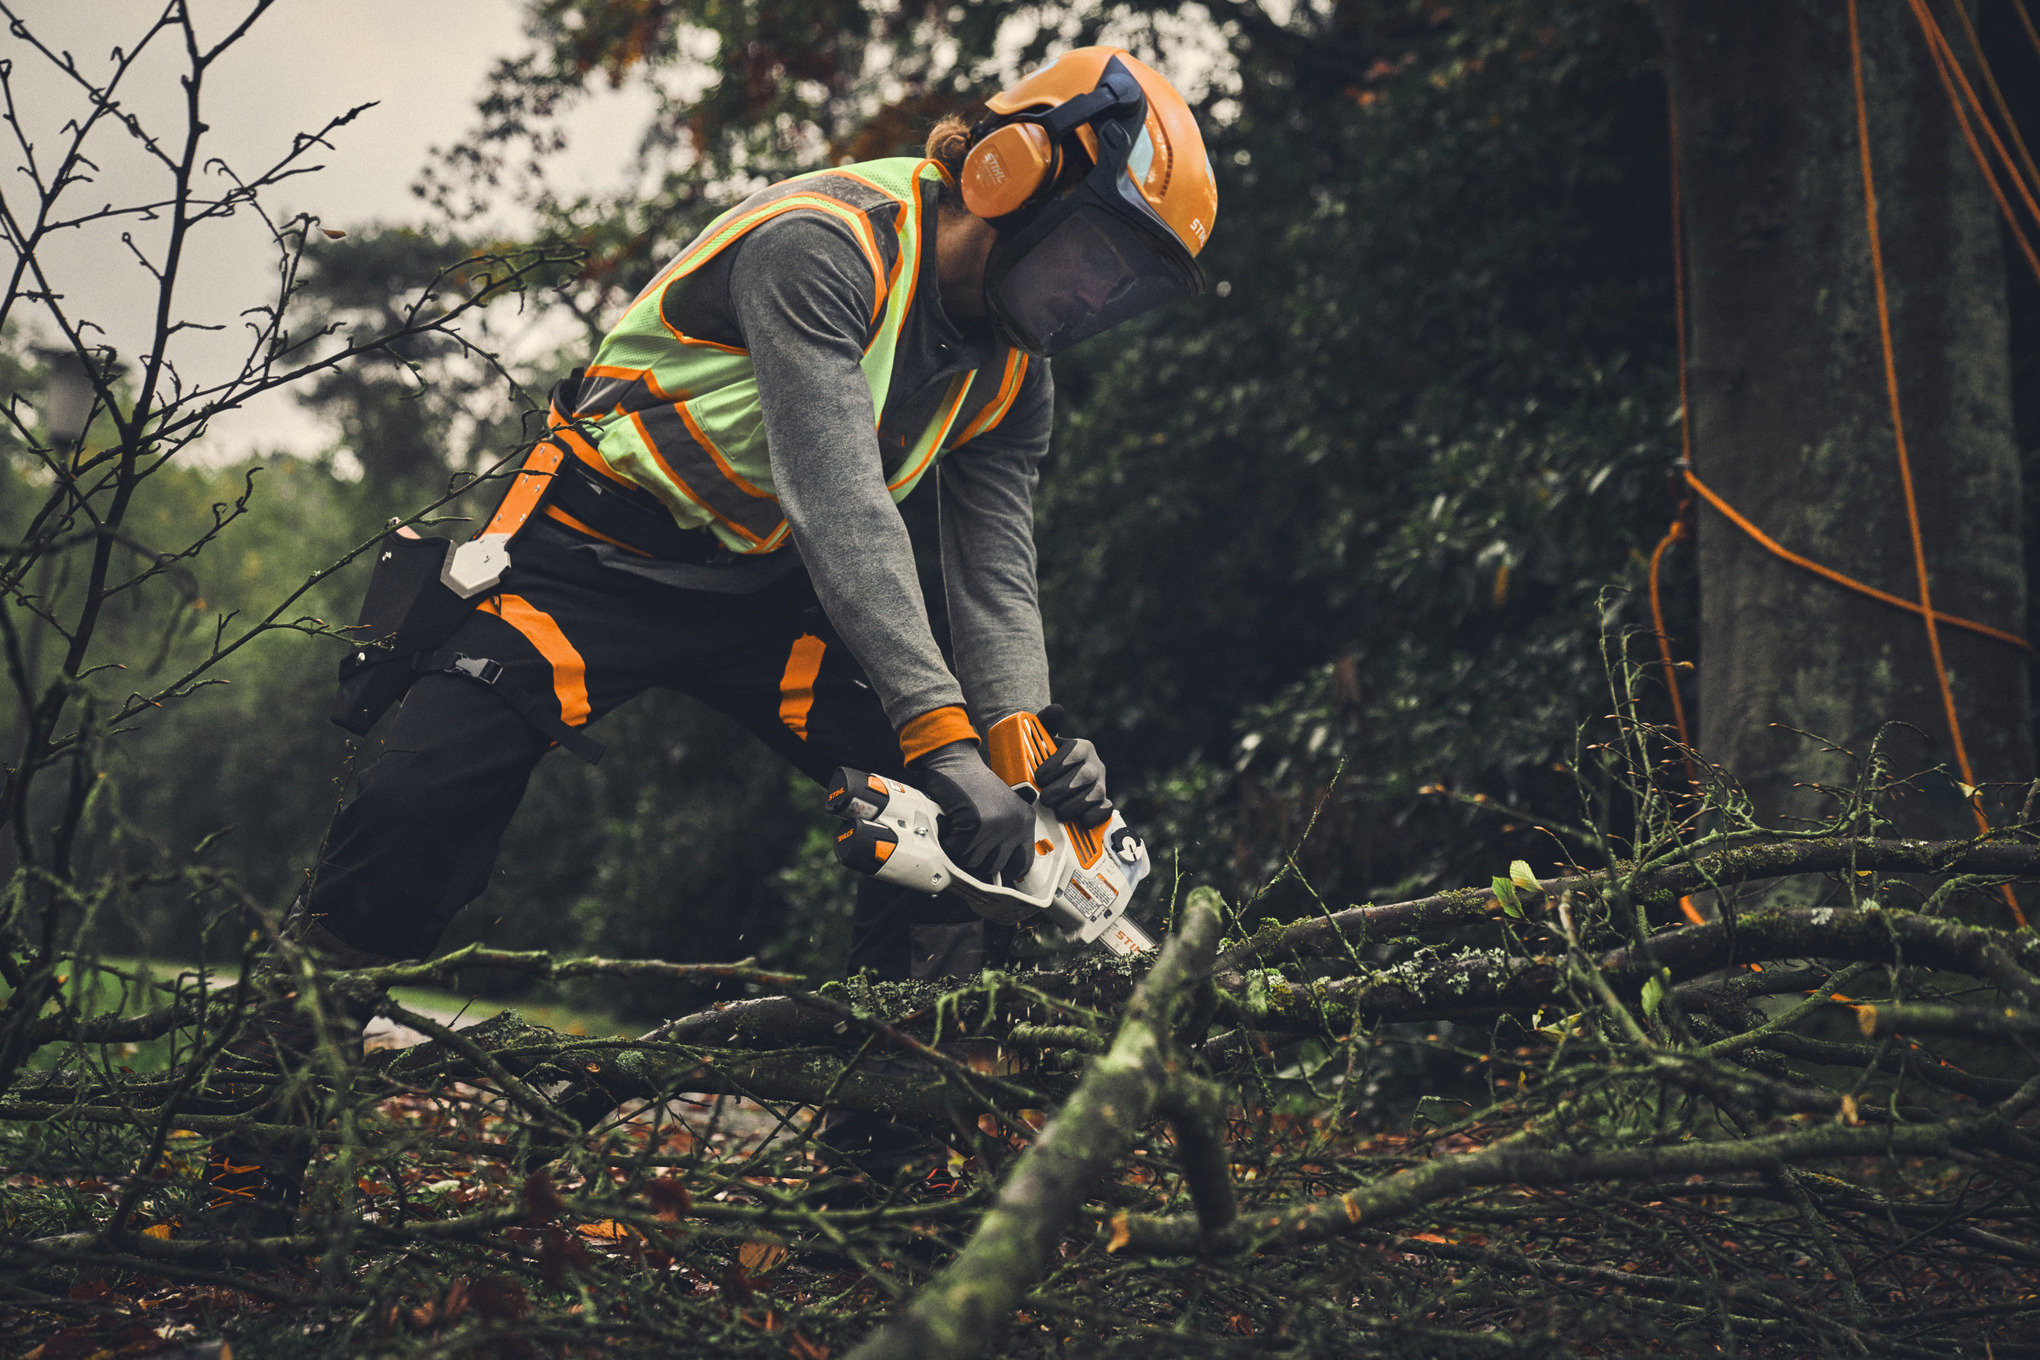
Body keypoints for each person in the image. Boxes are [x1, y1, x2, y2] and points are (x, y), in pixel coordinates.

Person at [196, 45, 1218, 1234]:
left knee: (946, 840)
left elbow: (994, 568)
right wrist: (946, 734)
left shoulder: (1012, 377)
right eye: (1097, 256)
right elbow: (842, 499)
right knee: (414, 805)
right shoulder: (824, 248)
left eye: (1123, 285)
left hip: (767, 588)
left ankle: (880, 1187)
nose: (1094, 299)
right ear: (1014, 172)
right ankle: (254, 1153)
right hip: (592, 547)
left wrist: (1019, 747)